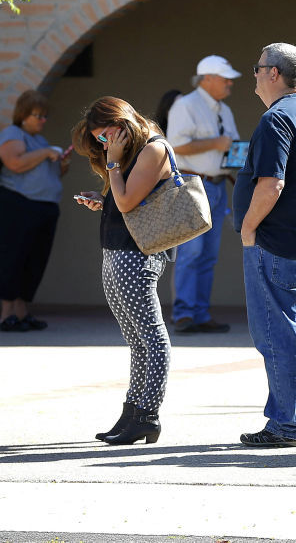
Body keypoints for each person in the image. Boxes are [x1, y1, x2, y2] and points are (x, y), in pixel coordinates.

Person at [234, 43, 296, 447]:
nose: (254, 75)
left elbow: (272, 183)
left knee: (277, 334)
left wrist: (248, 227)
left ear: (273, 73)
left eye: (257, 68)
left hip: (276, 244)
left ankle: (285, 424)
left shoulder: (277, 119)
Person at [72, 96, 174, 445]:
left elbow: (129, 201)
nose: (104, 144)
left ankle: (148, 415)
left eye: (105, 136)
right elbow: (127, 201)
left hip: (139, 253)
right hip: (117, 248)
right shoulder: (128, 153)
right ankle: (132, 411)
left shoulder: (152, 148)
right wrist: (102, 200)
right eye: (99, 140)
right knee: (136, 340)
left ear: (122, 122)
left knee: (152, 338)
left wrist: (113, 164)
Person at [165, 55, 241, 334]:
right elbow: (176, 145)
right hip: (192, 185)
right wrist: (216, 143)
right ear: (206, 78)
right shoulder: (185, 105)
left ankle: (200, 313)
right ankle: (184, 314)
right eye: (225, 78)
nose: (230, 83)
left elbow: (230, 148)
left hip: (218, 186)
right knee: (191, 251)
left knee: (208, 254)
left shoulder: (225, 109)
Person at [0, 91, 69, 332]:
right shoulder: (13, 134)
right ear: (23, 115)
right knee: (14, 257)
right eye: (37, 115)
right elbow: (15, 163)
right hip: (20, 206)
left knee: (34, 260)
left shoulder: (39, 141)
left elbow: (48, 175)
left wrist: (60, 163)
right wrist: (46, 152)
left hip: (45, 207)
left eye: (44, 116)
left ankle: (21, 312)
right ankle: (5, 313)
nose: (42, 121)